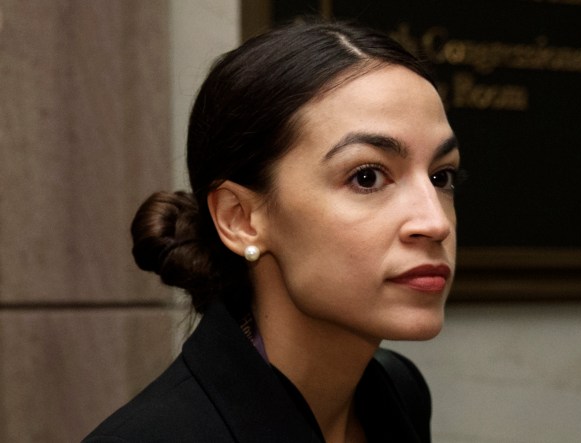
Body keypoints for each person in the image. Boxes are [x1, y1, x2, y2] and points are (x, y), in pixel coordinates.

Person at [84, 18, 459, 443]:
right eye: (367, 177)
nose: (435, 222)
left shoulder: (398, 390)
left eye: (441, 177)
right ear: (239, 219)